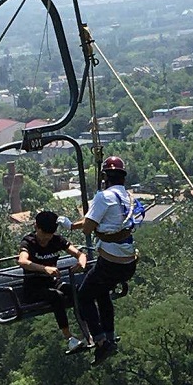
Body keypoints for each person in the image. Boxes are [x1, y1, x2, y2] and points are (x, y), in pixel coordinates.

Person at [74, 156, 142, 366]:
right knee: (101, 292)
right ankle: (109, 336)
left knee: (84, 296)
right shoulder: (128, 198)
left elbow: (88, 228)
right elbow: (111, 223)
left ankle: (101, 341)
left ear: (104, 177)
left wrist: (86, 215)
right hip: (127, 263)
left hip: (111, 263)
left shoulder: (103, 197)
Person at [18, 210, 88, 352]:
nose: (45, 240)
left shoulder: (57, 240)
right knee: (56, 296)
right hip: (34, 289)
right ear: (36, 227)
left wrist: (81, 263)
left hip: (52, 283)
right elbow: (22, 261)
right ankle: (69, 338)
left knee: (78, 291)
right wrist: (44, 269)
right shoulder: (29, 242)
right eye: (43, 236)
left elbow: (79, 254)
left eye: (49, 238)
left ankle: (90, 330)